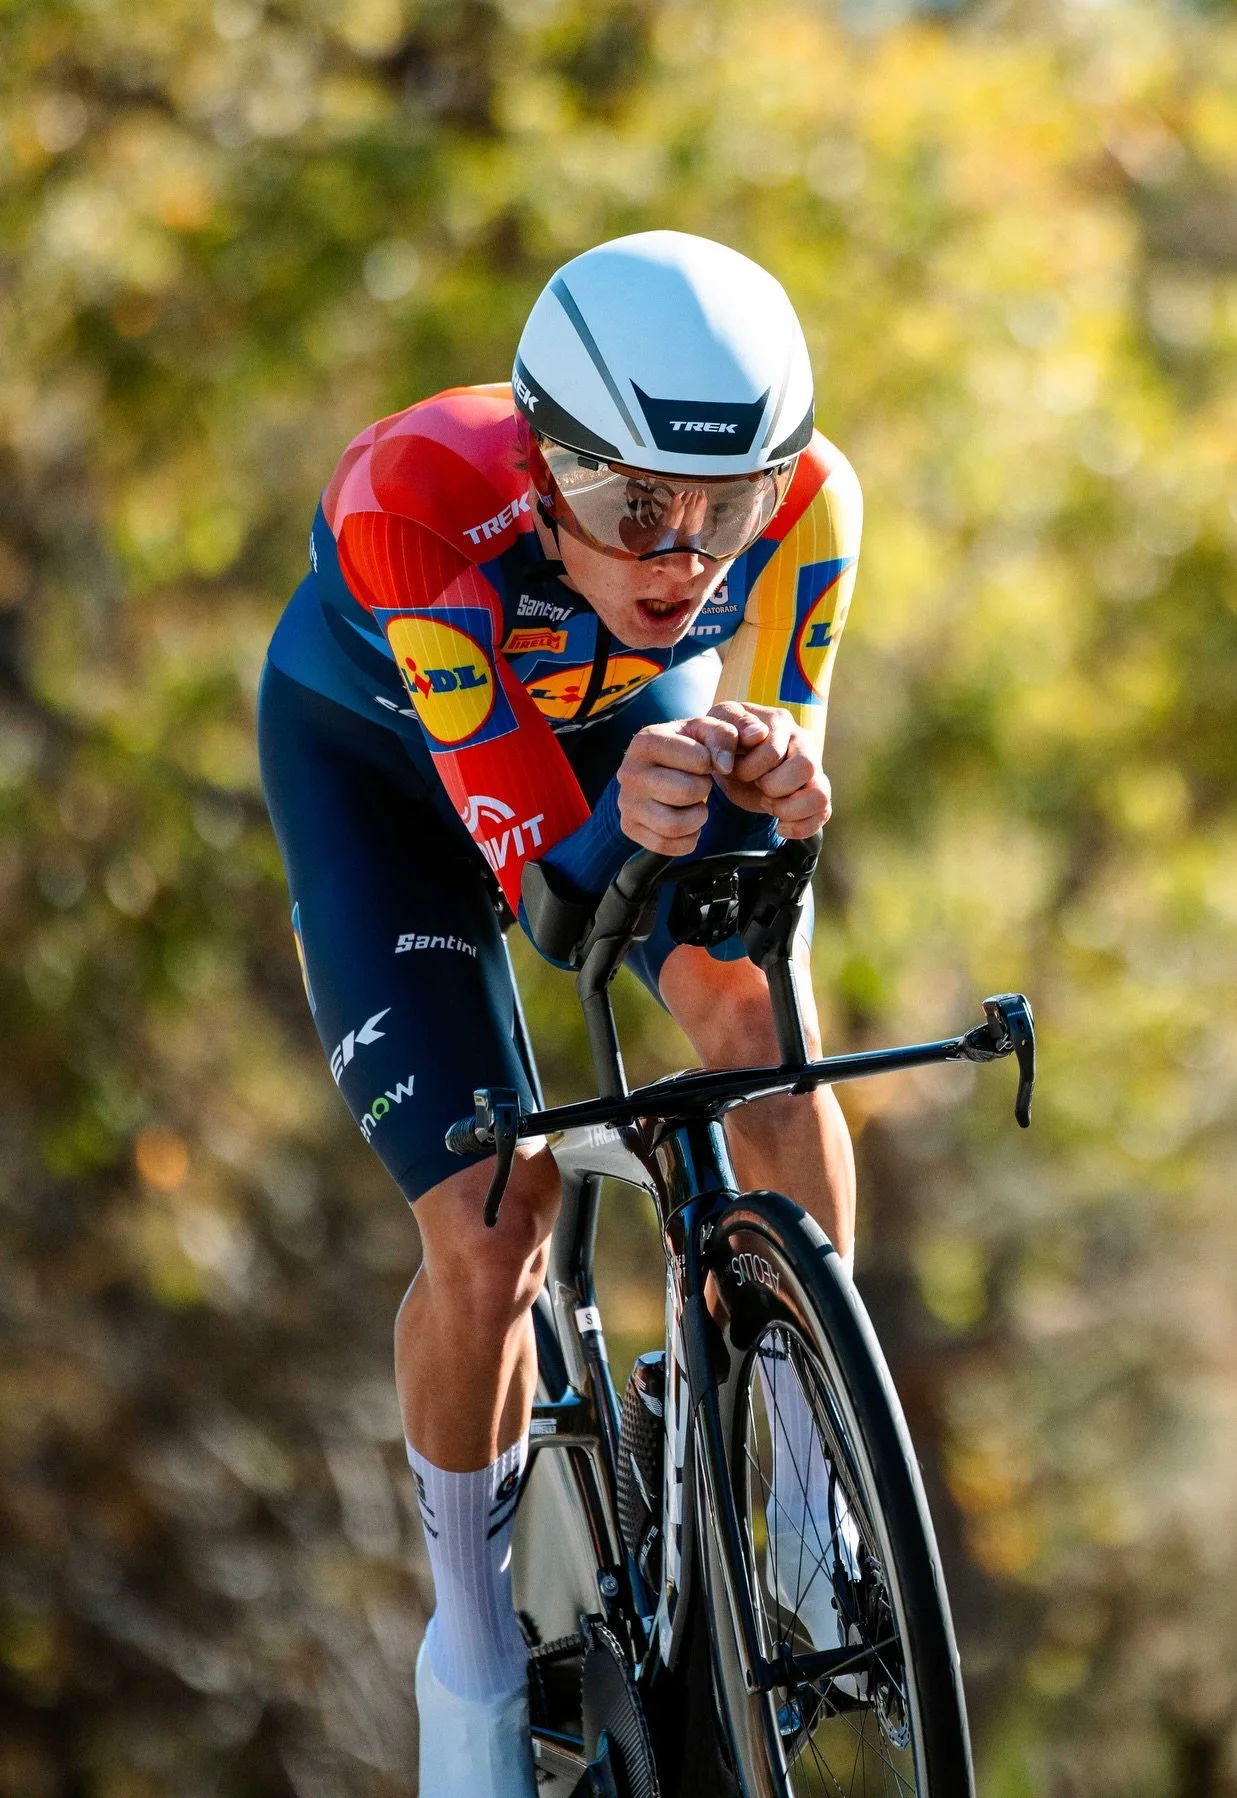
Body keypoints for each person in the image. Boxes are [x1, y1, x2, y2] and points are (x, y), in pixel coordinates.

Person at [257, 230, 862, 1794]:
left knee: (758, 1011)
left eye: (721, 512)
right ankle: (468, 1646)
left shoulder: (813, 506)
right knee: (492, 1213)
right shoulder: (413, 502)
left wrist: (782, 776)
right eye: (629, 508)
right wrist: (625, 824)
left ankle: (811, 1483)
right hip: (380, 772)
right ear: (543, 464)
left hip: (608, 734)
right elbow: (547, 907)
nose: (682, 562)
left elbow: (769, 791)